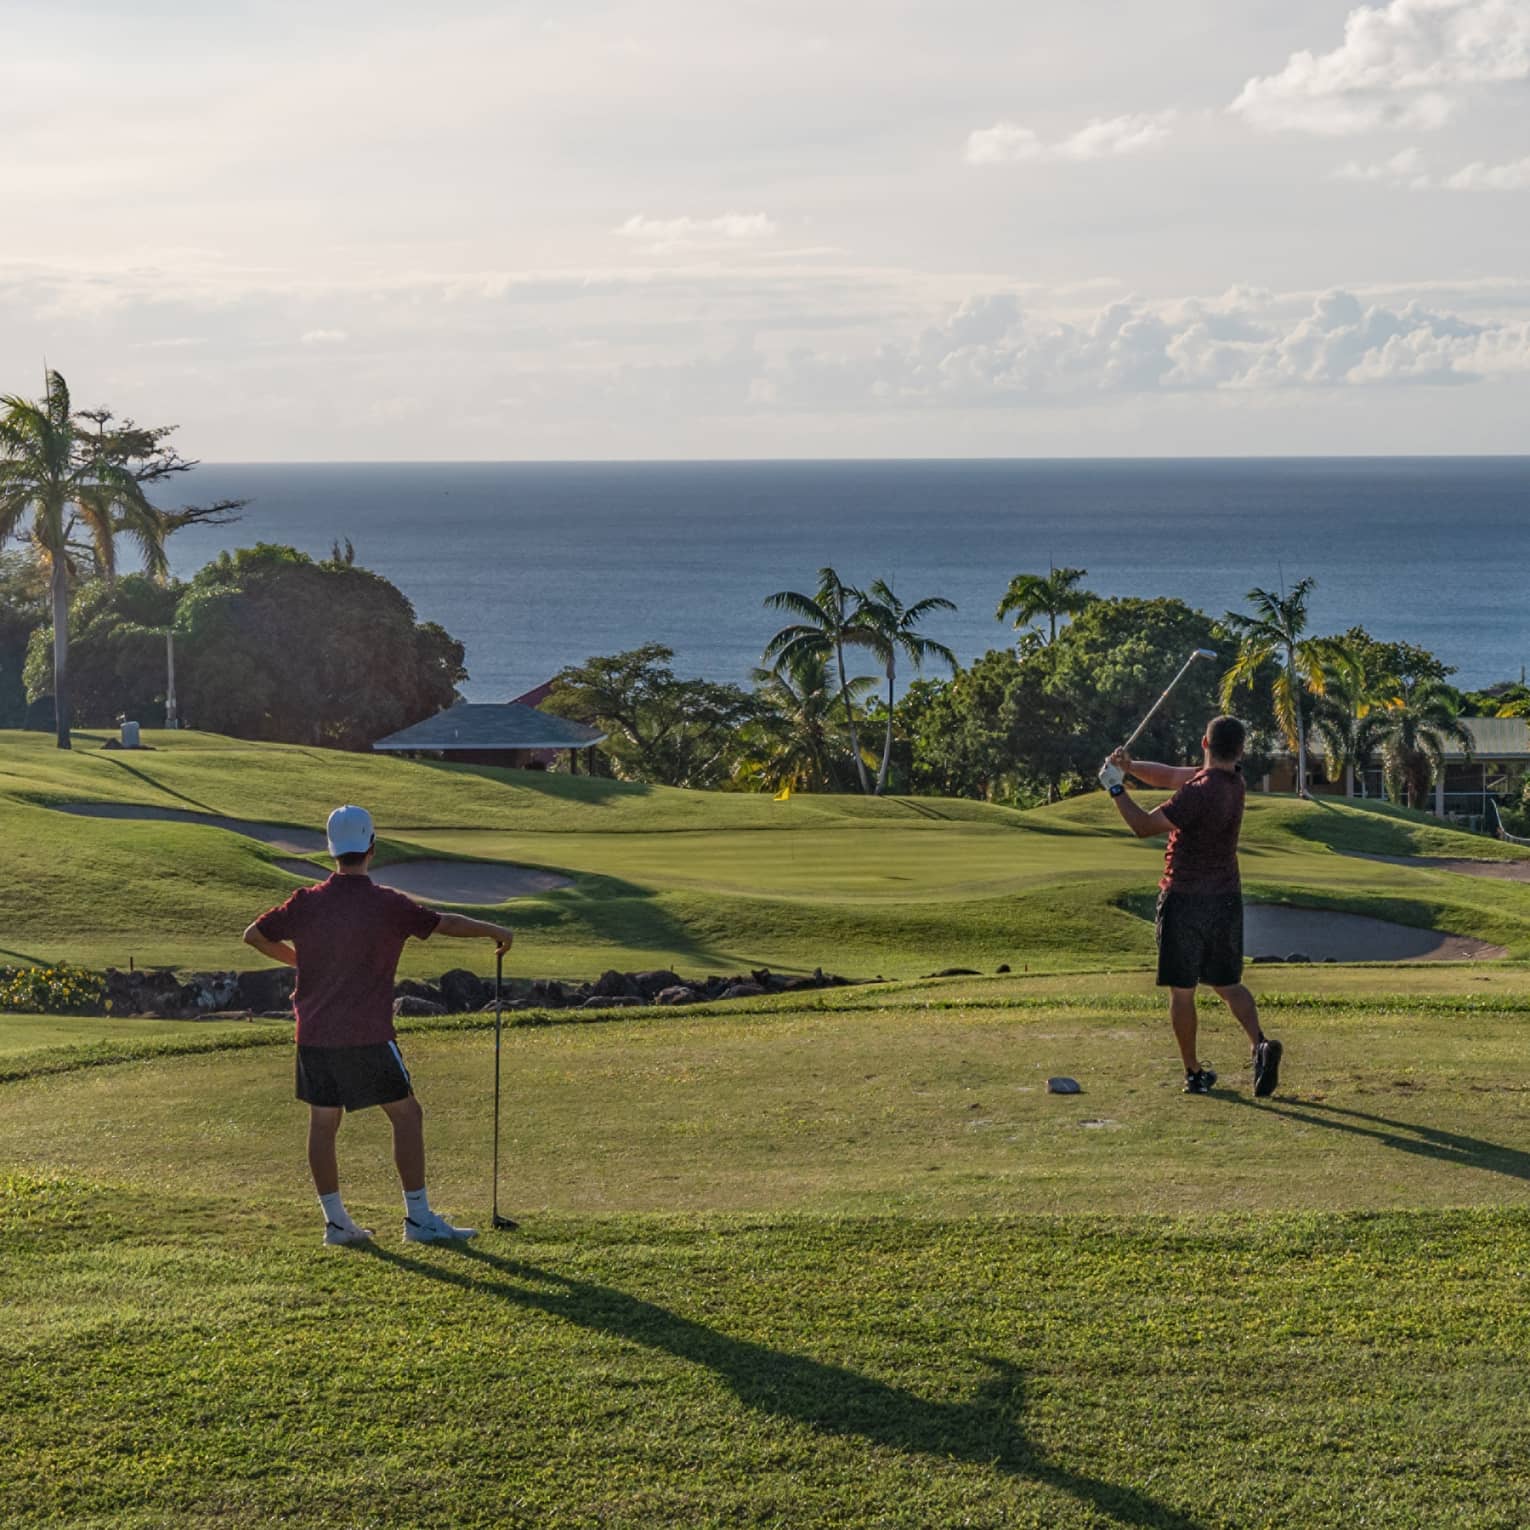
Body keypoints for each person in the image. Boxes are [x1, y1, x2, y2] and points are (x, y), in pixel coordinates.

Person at [243, 804, 516, 1247]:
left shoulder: (306, 902)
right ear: (372, 846)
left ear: (331, 850)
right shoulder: (386, 903)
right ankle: (419, 1219)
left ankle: (336, 1224)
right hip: (366, 1034)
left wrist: (299, 961)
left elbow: (253, 935)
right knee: (407, 1116)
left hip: (313, 1032)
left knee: (323, 1122)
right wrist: (496, 930)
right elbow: (444, 923)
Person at [1098, 716, 1283, 1097]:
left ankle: (1194, 1073)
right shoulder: (1234, 781)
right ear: (1240, 751)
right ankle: (1260, 1045)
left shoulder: (1198, 792)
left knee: (1182, 991)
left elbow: (1144, 826)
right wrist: (1130, 768)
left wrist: (1116, 789)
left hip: (1184, 898)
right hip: (1226, 898)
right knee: (1228, 983)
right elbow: (1168, 776)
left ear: (1204, 743)